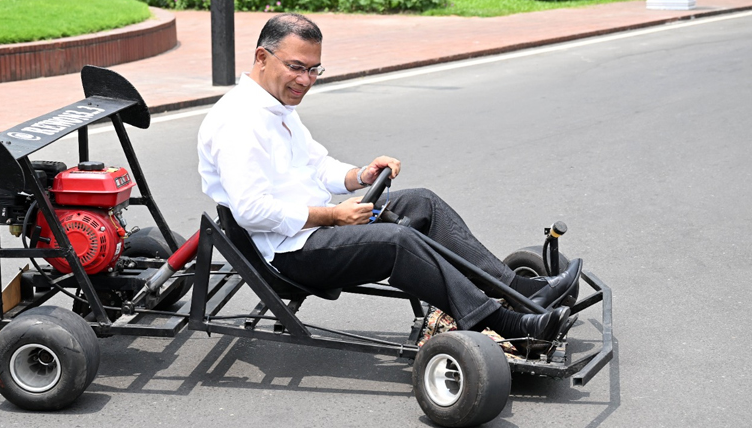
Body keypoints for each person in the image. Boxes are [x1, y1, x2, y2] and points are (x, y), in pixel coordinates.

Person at [196, 14, 576, 346]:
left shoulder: (278, 106)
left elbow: (317, 166)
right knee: (398, 240)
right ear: (262, 57)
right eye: (297, 67)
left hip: (316, 227)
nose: (306, 80)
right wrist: (332, 217)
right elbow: (251, 210)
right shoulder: (239, 122)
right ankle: (507, 324)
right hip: (287, 255)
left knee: (422, 203)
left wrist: (361, 174)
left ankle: (521, 290)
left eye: (314, 70)